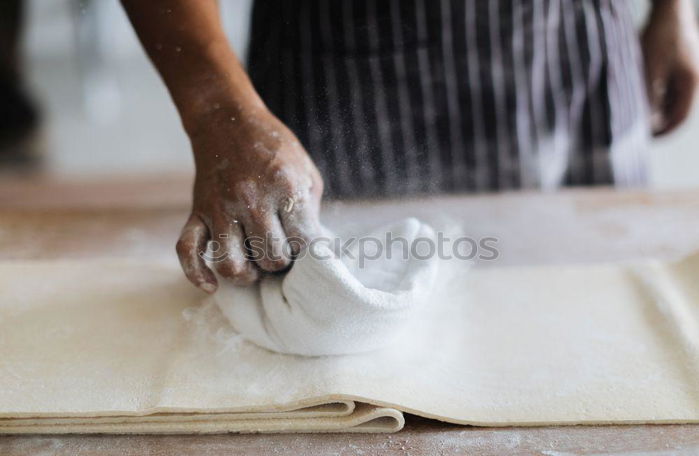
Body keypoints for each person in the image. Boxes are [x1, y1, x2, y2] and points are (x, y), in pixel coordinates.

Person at [4, 1, 698, 291]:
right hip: (350, 55)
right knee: (334, 320)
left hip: (574, 46)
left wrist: (673, 9)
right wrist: (219, 109)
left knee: (588, 303)